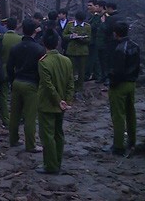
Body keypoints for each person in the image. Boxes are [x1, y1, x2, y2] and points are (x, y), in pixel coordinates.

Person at [36, 29, 75, 174]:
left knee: (47, 136)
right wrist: (67, 100)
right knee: (59, 133)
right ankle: (57, 162)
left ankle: (51, 166)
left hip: (47, 104)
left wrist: (58, 101)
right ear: (58, 43)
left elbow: (48, 86)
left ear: (44, 43)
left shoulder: (44, 62)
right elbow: (71, 83)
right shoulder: (67, 60)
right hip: (63, 104)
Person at [7, 19, 46, 153]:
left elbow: (9, 67)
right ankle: (31, 145)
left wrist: (12, 81)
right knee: (30, 116)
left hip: (17, 82)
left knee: (15, 114)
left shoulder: (16, 48)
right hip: (31, 84)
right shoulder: (39, 49)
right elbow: (42, 70)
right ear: (36, 31)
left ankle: (13, 139)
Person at [107, 22, 140, 156]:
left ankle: (118, 145)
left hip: (120, 85)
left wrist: (112, 82)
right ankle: (132, 141)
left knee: (118, 115)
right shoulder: (135, 46)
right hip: (131, 83)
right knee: (131, 113)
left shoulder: (120, 48)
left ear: (116, 33)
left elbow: (118, 70)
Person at [0, 17, 23, 128]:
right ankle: (19, 117)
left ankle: (6, 120)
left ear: (6, 26)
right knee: (18, 95)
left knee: (3, 95)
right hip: (18, 71)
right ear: (16, 26)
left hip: (3, 70)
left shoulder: (1, 39)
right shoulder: (21, 39)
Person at [63, 11, 91, 93]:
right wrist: (71, 36)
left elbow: (89, 39)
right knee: (71, 70)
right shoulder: (70, 25)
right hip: (71, 51)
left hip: (83, 52)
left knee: (81, 70)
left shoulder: (87, 27)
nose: (79, 23)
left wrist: (82, 39)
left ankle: (80, 87)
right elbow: (64, 35)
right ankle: (71, 86)